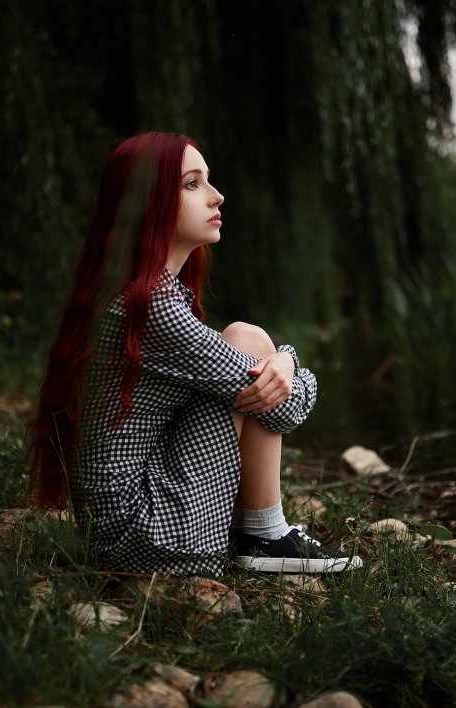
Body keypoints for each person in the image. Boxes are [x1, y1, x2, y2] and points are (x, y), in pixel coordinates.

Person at [27, 132, 361, 577]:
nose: (217, 195)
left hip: (118, 531)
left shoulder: (135, 293)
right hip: (149, 537)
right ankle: (264, 534)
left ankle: (262, 533)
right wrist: (286, 360)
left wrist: (282, 362)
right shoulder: (149, 308)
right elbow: (287, 410)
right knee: (247, 341)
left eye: (208, 181)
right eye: (192, 183)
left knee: (248, 344)